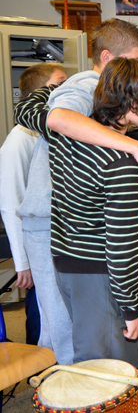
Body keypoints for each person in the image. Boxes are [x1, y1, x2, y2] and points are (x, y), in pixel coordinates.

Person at [31, 57, 138, 370]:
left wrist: (51, 89)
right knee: (111, 374)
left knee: (90, 362)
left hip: (66, 265)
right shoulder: (121, 165)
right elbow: (122, 246)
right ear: (131, 101)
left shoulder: (66, 135)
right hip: (101, 277)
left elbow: (32, 108)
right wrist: (132, 306)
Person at [0, 62, 67, 355]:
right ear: (42, 93)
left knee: (58, 310)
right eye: (60, 82)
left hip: (56, 238)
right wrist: (22, 261)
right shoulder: (19, 138)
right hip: (36, 243)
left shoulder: (54, 130)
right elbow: (11, 202)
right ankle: (42, 369)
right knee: (42, 310)